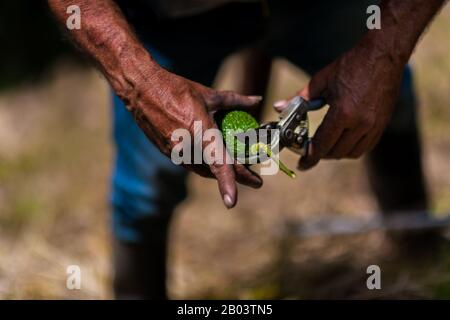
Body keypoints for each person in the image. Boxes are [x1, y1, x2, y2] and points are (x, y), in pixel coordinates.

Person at [47, 0, 446, 299]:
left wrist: (384, 53)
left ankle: (420, 256)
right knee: (147, 185)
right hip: (168, 20)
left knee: (389, 104)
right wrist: (140, 83)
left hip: (319, 4)